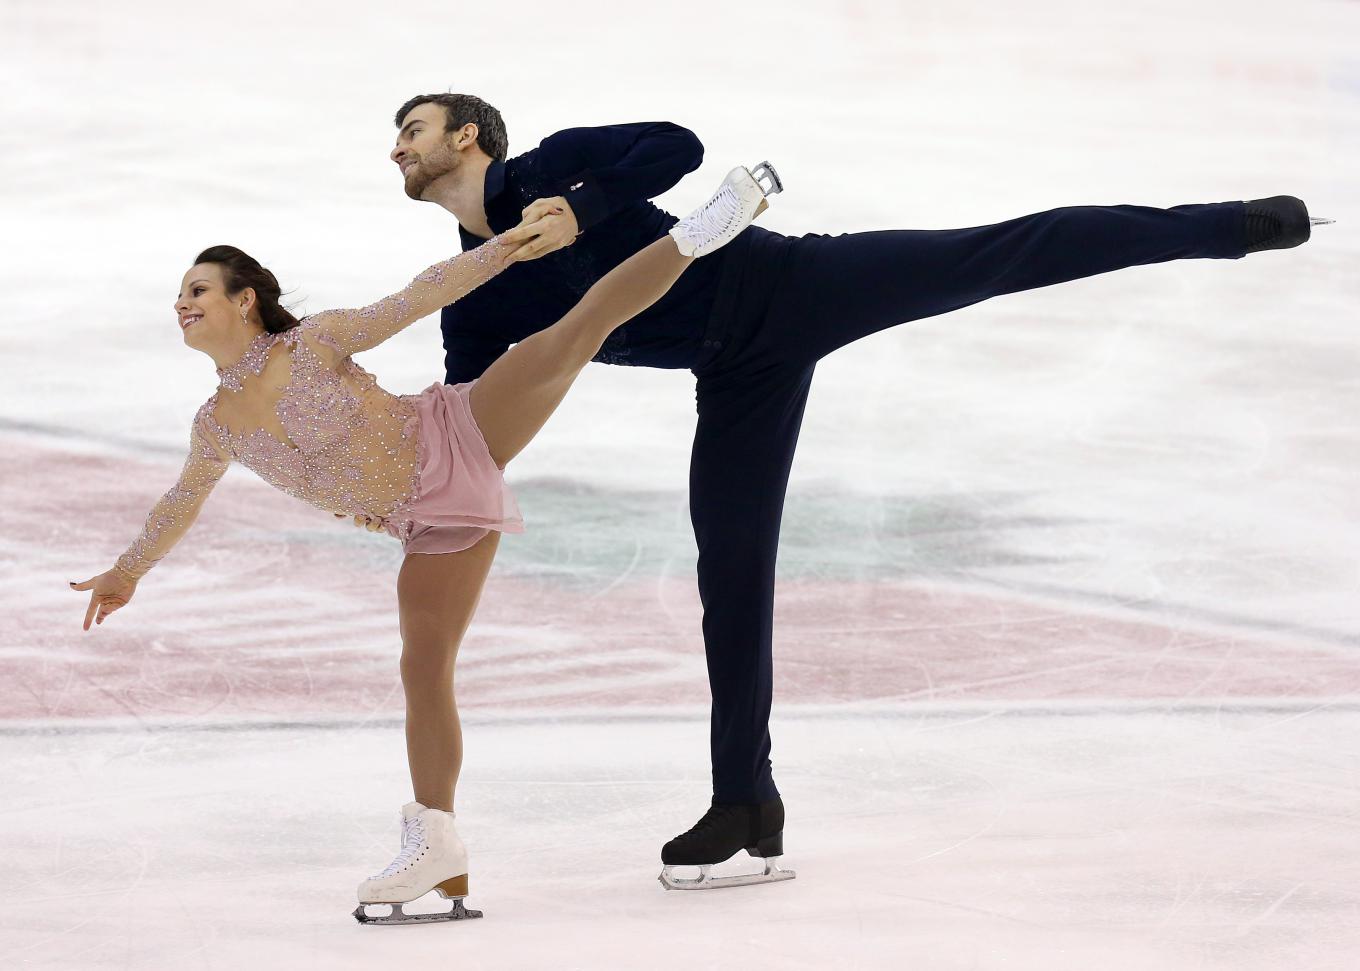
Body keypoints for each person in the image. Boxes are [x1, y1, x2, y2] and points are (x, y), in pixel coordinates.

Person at [381, 92, 1331, 892]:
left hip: (792, 281)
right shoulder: (474, 293)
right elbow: (477, 418)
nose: (400, 148)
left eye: (414, 129)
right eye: (398, 138)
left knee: (999, 252)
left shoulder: (553, 164)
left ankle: (1230, 226)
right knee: (733, 577)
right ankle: (745, 802)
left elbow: (677, 147)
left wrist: (583, 206)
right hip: (735, 379)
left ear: (469, 137)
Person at [68, 163, 780, 924]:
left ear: (244, 301)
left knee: (572, 333)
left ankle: (701, 232)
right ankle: (435, 841)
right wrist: (126, 570)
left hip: (455, 430)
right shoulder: (217, 424)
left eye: (199, 288)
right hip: (426, 520)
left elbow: (419, 294)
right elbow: (182, 499)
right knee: (423, 663)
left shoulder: (312, 344)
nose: (183, 301)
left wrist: (504, 246)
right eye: (181, 291)